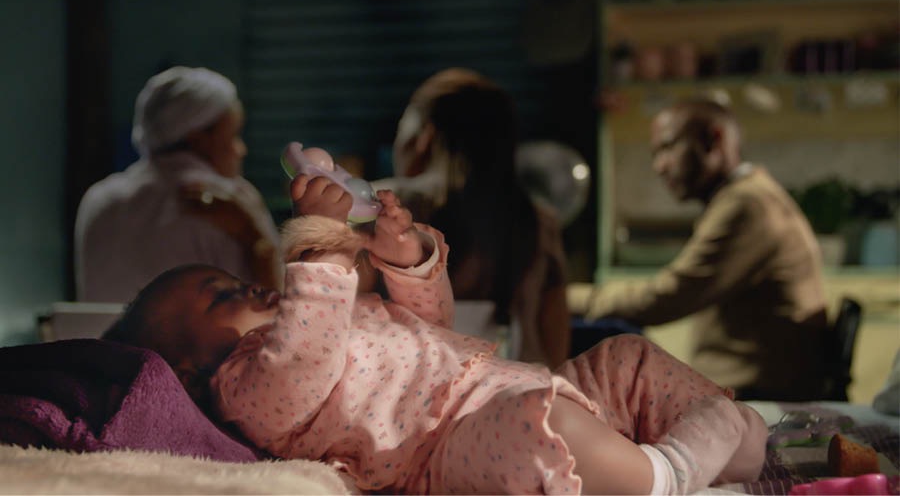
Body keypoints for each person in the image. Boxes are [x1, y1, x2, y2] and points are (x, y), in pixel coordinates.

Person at [103, 168, 767, 495]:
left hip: (505, 380)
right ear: (189, 369)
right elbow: (300, 363)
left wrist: (404, 260)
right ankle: (669, 470)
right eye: (221, 295)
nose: (249, 287)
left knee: (624, 358)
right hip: (442, 443)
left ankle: (728, 443)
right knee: (534, 429)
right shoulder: (250, 384)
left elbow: (429, 329)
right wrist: (319, 247)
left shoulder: (331, 316)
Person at [585, 98, 829, 401]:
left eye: (669, 147)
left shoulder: (746, 205)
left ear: (714, 139)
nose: (659, 166)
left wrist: (572, 299)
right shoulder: (746, 195)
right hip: (746, 389)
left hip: (759, 396)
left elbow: (667, 297)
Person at [374, 67, 571, 368]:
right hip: (519, 399)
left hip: (405, 401)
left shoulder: (378, 207)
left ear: (424, 136)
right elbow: (555, 349)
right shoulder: (538, 222)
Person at [74, 66, 282, 303]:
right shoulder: (230, 201)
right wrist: (258, 241)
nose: (241, 150)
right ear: (199, 139)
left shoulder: (99, 198)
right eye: (233, 135)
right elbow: (275, 312)